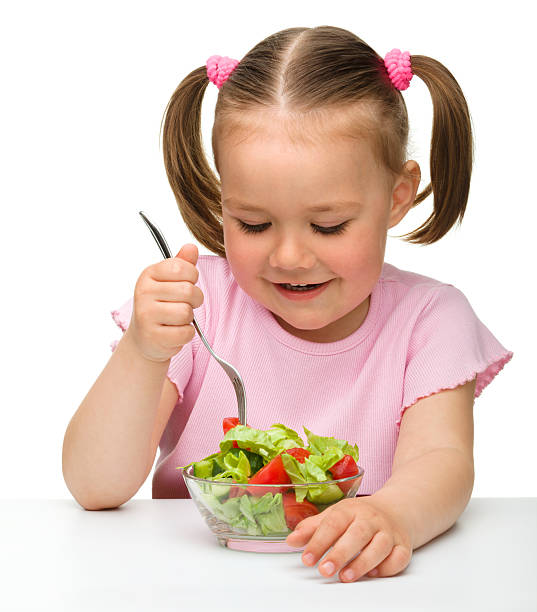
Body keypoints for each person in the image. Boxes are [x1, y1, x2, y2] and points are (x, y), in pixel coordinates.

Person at [62, 26, 513, 583]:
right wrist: (142, 352)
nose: (290, 256)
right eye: (253, 223)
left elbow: (442, 461)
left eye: (329, 225)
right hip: (192, 583)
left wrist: (391, 514)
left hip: (351, 585)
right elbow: (94, 486)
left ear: (397, 196)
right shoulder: (200, 307)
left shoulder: (431, 320)